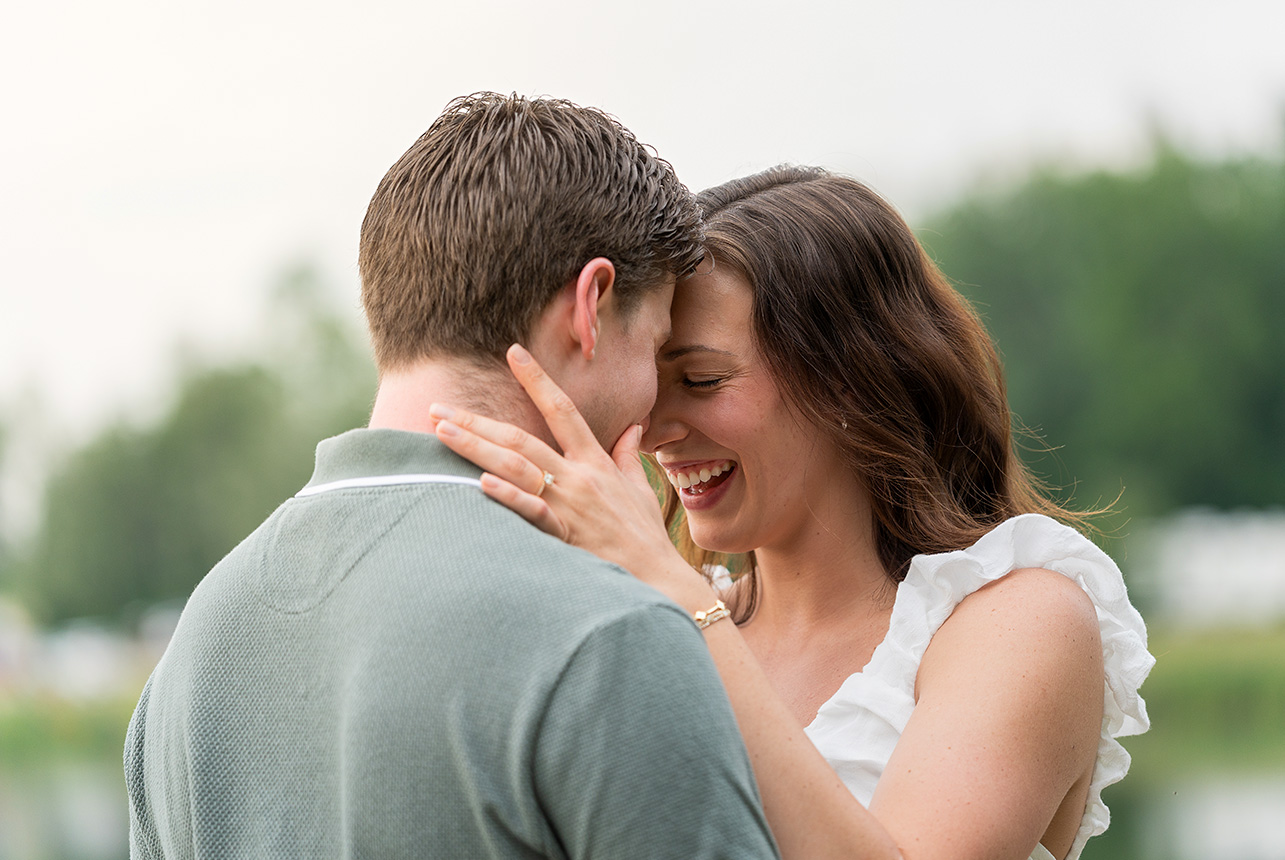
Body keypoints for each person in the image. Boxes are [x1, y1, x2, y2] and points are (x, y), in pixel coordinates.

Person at [123, 93, 781, 859]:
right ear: (591, 306)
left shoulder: (197, 644)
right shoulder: (611, 634)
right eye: (657, 343)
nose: (655, 406)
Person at [427, 166, 1155, 860]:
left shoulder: (1015, 618)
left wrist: (668, 587)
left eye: (703, 379)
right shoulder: (665, 620)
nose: (653, 431)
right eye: (655, 379)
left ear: (850, 381)